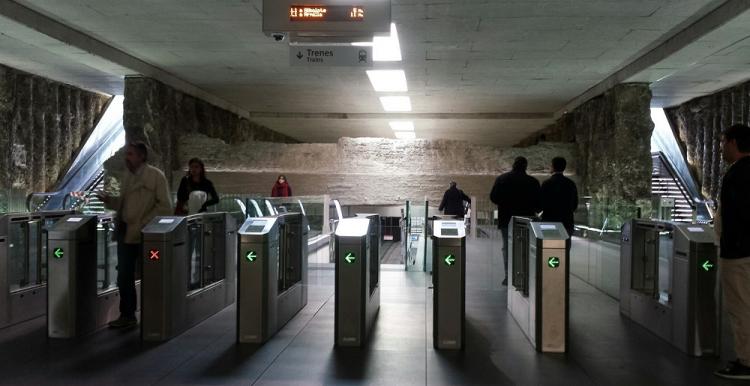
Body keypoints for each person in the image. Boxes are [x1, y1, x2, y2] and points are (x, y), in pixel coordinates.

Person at [98, 141, 172, 328]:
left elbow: (165, 207)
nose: (127, 157)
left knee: (150, 274)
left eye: (130, 154)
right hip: (125, 232)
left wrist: (145, 224)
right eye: (126, 154)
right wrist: (109, 200)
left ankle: (155, 313)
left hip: (146, 235)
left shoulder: (155, 176)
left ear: (141, 156)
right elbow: (121, 205)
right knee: (124, 275)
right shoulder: (125, 177)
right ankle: (128, 315)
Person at [714, 123, 750, 380]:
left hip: (739, 253)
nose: (720, 147)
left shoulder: (737, 174)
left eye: (723, 141)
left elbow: (734, 215)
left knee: (741, 306)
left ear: (734, 142)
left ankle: (746, 361)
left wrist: (731, 245)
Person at [490, 156, 541, 286]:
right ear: (525, 166)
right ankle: (524, 274)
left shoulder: (502, 179)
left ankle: (509, 276)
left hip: (506, 218)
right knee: (525, 247)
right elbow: (539, 204)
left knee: (507, 247)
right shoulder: (533, 182)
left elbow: (494, 197)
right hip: (527, 220)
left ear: (514, 165)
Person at [540, 157, 578, 252]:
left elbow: (540, 203)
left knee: (550, 250)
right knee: (564, 250)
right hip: (567, 222)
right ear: (564, 168)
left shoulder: (546, 183)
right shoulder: (571, 184)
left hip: (549, 221)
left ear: (552, 167)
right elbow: (574, 205)